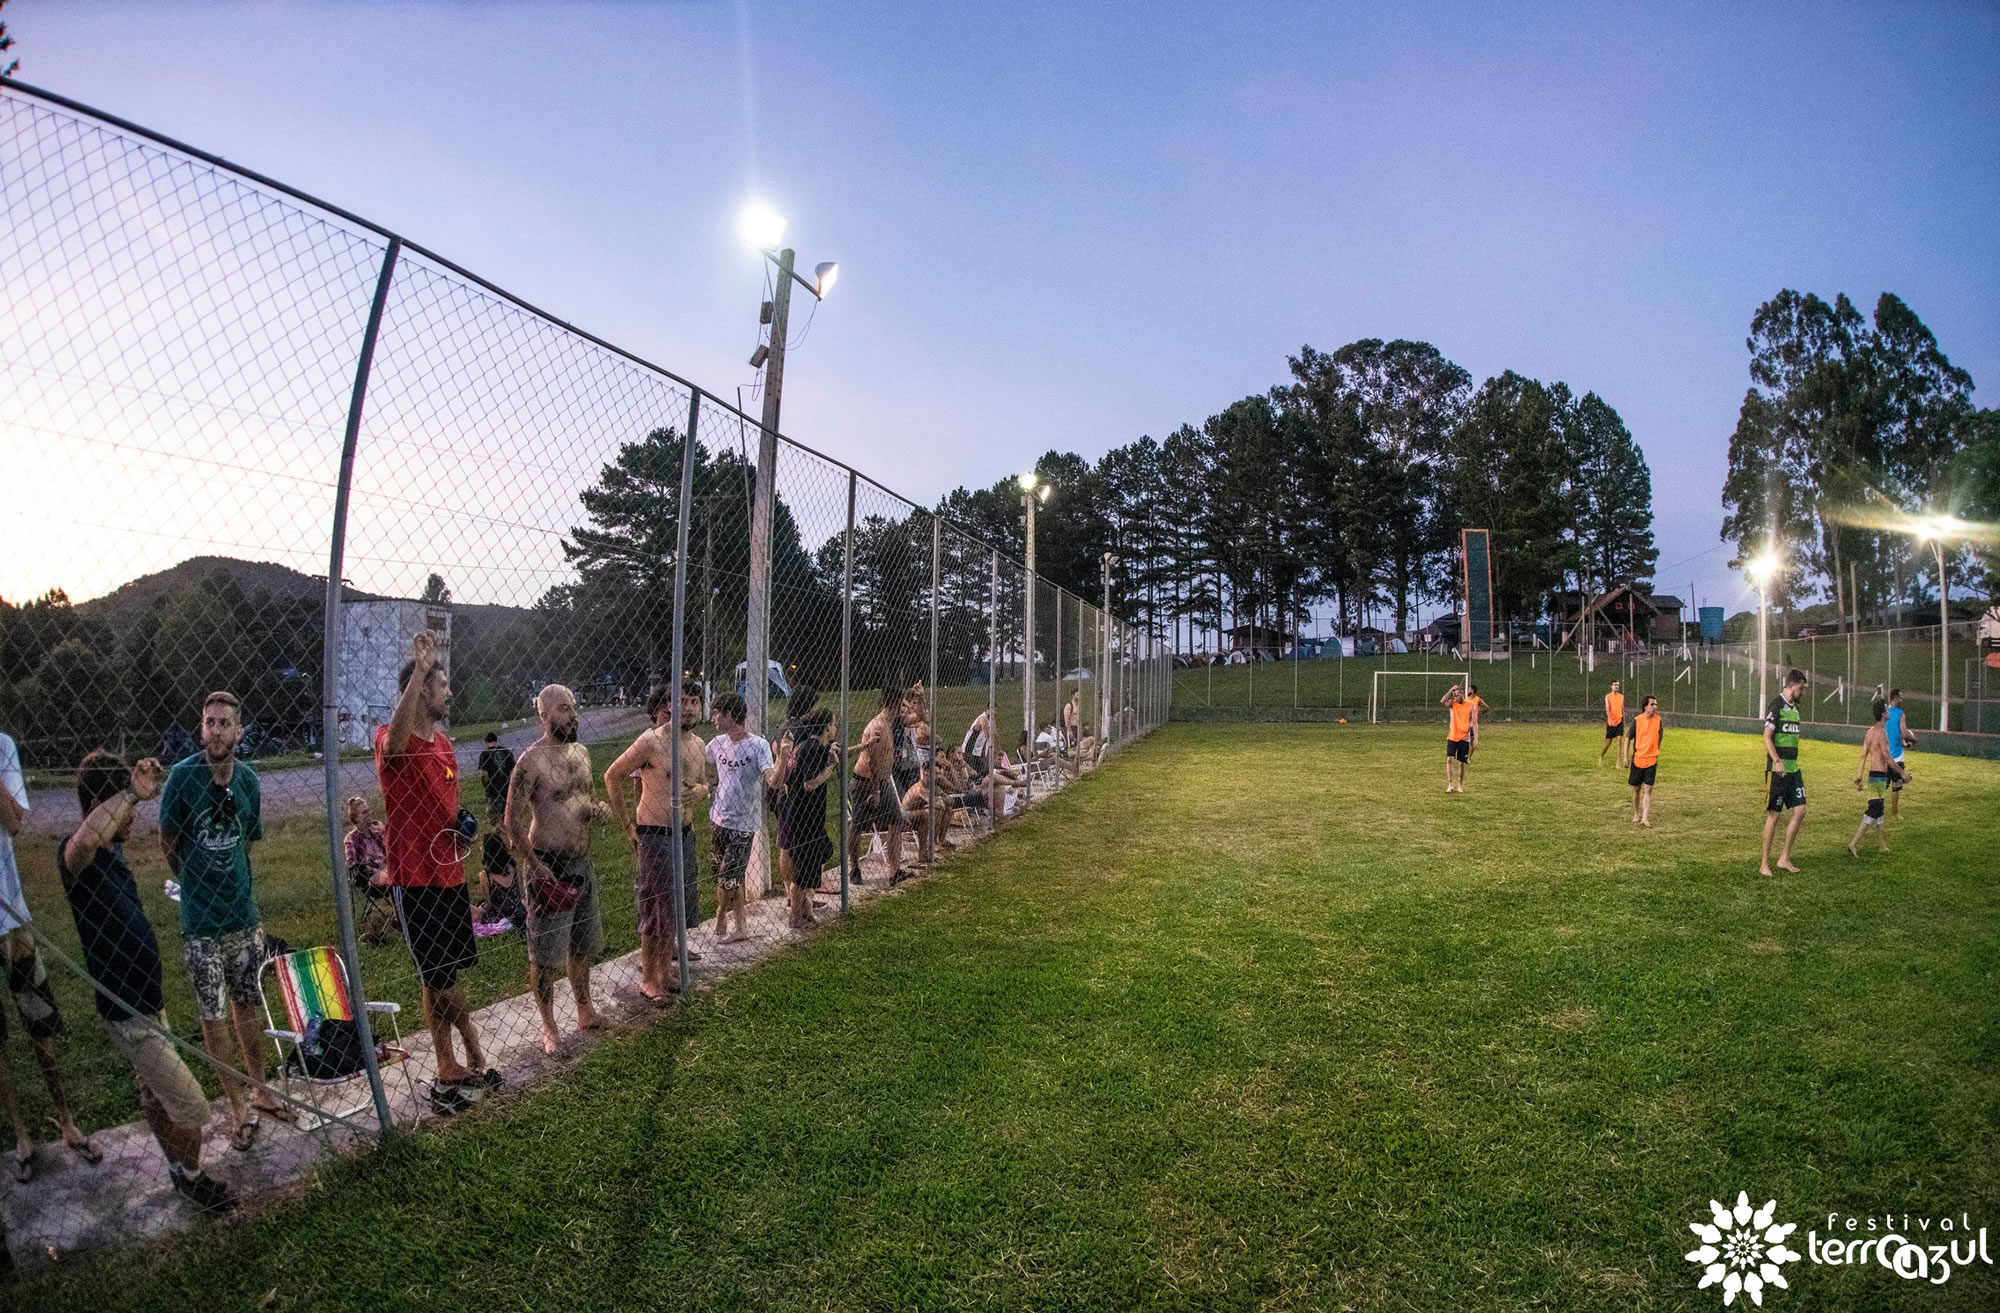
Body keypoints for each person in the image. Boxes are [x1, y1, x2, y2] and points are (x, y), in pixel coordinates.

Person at [58, 751, 234, 1213]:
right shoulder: (74, 856)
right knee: (193, 1107)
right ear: (104, 801)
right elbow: (81, 846)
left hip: (147, 1002)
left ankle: (178, 1170)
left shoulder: (112, 856)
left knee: (154, 1093)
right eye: (128, 806)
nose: (135, 816)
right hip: (128, 1011)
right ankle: (194, 1179)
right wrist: (130, 792)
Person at [157, 690, 293, 1151]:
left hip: (243, 914)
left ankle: (260, 1088)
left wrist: (227, 878)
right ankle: (234, 1103)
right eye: (209, 722)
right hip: (200, 921)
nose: (215, 731)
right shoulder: (182, 778)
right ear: (202, 728)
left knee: (247, 1003)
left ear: (239, 731)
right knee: (212, 1014)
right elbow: (168, 841)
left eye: (224, 723)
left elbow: (245, 840)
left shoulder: (250, 781)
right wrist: (193, 883)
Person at [376, 629, 494, 1114]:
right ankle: (466, 1054)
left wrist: (461, 830)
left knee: (438, 974)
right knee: (441, 976)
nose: (450, 694)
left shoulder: (445, 745)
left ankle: (450, 1062)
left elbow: (446, 808)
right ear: (423, 690)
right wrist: (421, 668)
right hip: (415, 877)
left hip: (448, 875)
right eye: (442, 686)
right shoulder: (391, 736)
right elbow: (398, 747)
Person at [0, 726, 96, 1180]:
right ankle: (20, 1134)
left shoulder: (3, 747)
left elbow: (15, 821)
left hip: (11, 919)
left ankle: (66, 1119)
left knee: (39, 1021)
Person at [505, 684, 609, 1055]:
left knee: (582, 945)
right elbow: (512, 824)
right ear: (544, 716)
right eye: (564, 709)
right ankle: (549, 1027)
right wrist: (535, 867)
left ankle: (584, 1009)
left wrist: (597, 812)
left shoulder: (581, 752)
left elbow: (588, 798)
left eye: (574, 708)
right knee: (545, 955)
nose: (573, 715)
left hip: (583, 862)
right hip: (549, 867)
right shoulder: (530, 762)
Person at [605, 680, 707, 1000]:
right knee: (655, 911)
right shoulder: (651, 741)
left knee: (674, 910)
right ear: (669, 706)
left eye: (695, 701)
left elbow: (705, 784)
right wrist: (627, 826)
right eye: (683, 701)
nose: (689, 707)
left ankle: (664, 972)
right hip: (655, 835)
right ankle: (649, 978)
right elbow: (612, 775)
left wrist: (700, 792)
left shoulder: (698, 744)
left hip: (684, 834)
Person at [704, 692, 779, 943]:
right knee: (724, 876)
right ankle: (741, 927)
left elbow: (772, 779)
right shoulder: (716, 743)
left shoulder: (758, 745)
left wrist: (785, 755)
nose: (713, 717)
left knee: (728, 878)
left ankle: (720, 915)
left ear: (729, 714)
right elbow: (696, 762)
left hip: (743, 823)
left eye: (717, 713)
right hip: (718, 818)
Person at [778, 705, 836, 927]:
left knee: (818, 856)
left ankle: (806, 911)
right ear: (826, 727)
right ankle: (796, 917)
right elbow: (809, 783)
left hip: (801, 817)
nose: (835, 728)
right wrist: (830, 768)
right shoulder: (813, 749)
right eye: (832, 724)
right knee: (803, 871)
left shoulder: (804, 746)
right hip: (805, 819)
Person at [849, 685, 908, 883]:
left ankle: (894, 870)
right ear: (894, 704)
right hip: (866, 782)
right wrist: (875, 791)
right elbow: (871, 762)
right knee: (858, 825)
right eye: (902, 704)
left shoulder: (891, 723)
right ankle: (854, 868)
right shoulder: (878, 727)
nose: (905, 707)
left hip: (884, 781)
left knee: (896, 820)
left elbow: (920, 718)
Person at [1760, 668, 1810, 878]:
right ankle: (1764, 864)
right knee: (1775, 816)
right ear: (1792, 686)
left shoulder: (1795, 709)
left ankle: (1784, 858)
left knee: (1800, 811)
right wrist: (1777, 762)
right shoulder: (1777, 705)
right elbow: (1766, 737)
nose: (1803, 693)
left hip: (1794, 770)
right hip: (1780, 772)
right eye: (1801, 689)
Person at [342, 795, 398, 945]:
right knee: (395, 876)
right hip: (369, 877)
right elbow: (352, 863)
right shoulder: (351, 838)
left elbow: (393, 850)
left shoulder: (376, 832)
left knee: (399, 873)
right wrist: (372, 868)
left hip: (388, 869)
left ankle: (402, 915)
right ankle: (400, 916)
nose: (369, 815)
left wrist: (385, 831)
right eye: (364, 813)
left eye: (369, 811)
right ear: (355, 817)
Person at [1850, 699, 1894, 858]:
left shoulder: (1869, 732)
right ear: (1883, 714)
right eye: (1886, 710)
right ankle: (1853, 843)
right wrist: (1902, 774)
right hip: (1879, 776)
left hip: (1873, 775)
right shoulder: (1882, 733)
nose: (1888, 712)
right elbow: (1888, 759)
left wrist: (1859, 776)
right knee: (1873, 811)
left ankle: (1882, 845)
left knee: (1880, 810)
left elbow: (1863, 755)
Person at [1626, 695, 1663, 827]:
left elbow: (1660, 737)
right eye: (1652, 704)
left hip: (1652, 759)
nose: (1655, 707)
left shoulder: (1659, 720)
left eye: (1656, 705)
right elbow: (1628, 738)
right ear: (1645, 706)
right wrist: (1625, 757)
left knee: (1648, 789)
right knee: (1637, 789)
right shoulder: (1637, 720)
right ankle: (1636, 814)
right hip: (1638, 759)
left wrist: (1654, 750)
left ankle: (1645, 818)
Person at [1884, 688, 1916, 816]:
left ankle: (1875, 813)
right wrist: (1914, 740)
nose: (1902, 700)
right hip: (1897, 755)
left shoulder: (1884, 713)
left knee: (1881, 786)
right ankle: (1895, 814)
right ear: (1895, 698)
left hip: (1884, 754)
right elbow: (1904, 733)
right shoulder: (1900, 714)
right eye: (1900, 698)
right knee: (1895, 786)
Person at [476, 732, 515, 829]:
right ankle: (510, 834)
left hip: (493, 790)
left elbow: (484, 774)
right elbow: (513, 771)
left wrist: (486, 787)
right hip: (506, 788)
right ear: (496, 740)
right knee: (506, 815)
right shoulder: (506, 751)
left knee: (494, 817)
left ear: (486, 742)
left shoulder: (485, 754)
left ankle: (500, 836)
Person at [1440, 684, 1474, 792]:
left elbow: (1474, 722)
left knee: (1461, 763)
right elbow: (1442, 701)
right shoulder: (1452, 704)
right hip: (1452, 736)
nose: (1455, 698)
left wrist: (1474, 735)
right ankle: (1450, 784)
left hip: (1463, 737)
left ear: (1462, 694)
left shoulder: (1469, 705)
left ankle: (1460, 785)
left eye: (1457, 695)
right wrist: (1451, 689)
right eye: (1454, 696)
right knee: (1449, 759)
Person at [1599, 680, 1626, 766]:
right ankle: (1601, 756)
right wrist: (1610, 720)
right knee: (1608, 743)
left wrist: (1623, 721)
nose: (1616, 686)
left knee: (1619, 741)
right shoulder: (1608, 696)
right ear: (1611, 686)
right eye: (1615, 685)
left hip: (1619, 721)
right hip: (1611, 722)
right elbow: (1607, 709)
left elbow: (1622, 709)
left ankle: (1618, 763)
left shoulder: (1621, 697)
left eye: (1617, 685)